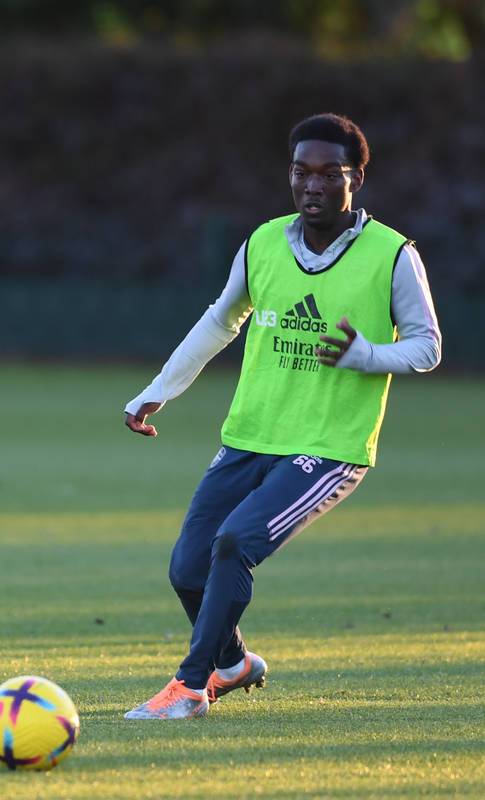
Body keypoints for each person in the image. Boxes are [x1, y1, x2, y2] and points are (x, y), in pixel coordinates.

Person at [121, 113, 441, 720]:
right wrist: (159, 389)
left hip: (329, 446)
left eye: (329, 173)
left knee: (235, 543)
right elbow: (221, 319)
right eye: (301, 171)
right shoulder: (263, 242)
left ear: (357, 179)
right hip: (251, 436)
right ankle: (234, 664)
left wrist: (367, 355)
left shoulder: (393, 255)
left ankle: (189, 689)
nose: (312, 184)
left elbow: (427, 347)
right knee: (187, 568)